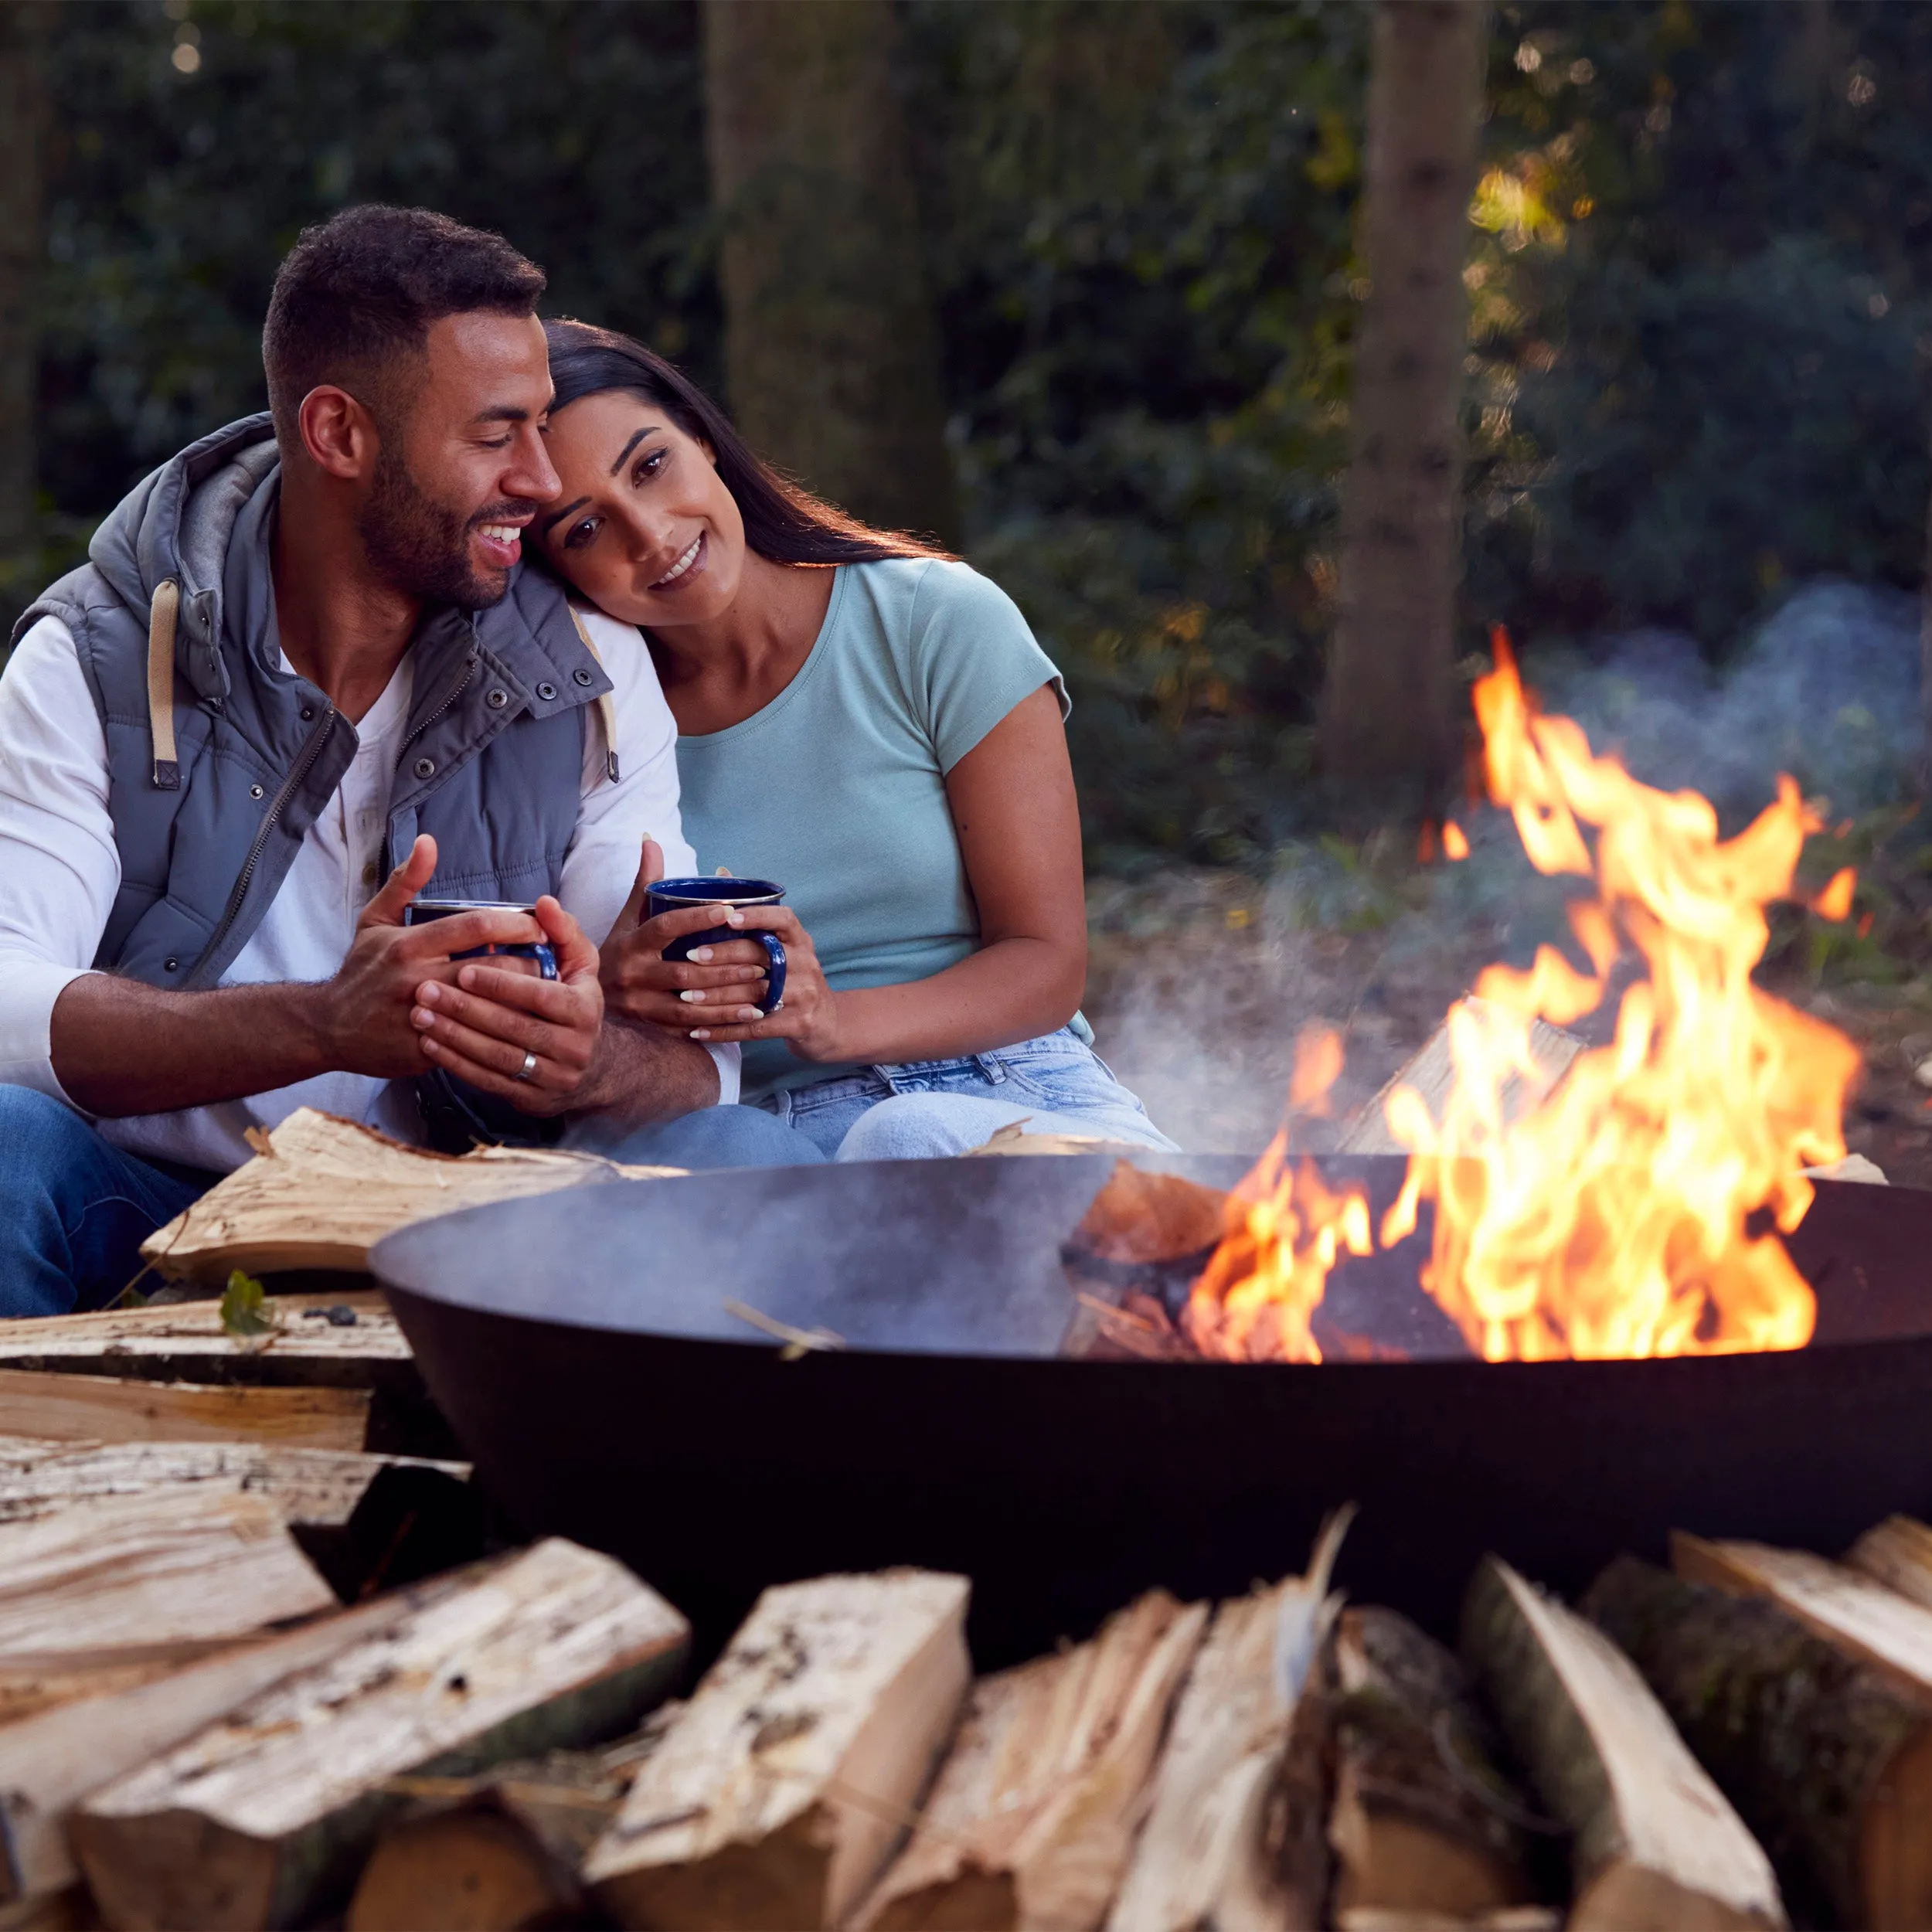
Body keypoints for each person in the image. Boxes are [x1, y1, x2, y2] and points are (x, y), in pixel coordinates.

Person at [0, 208, 748, 1318]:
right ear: (340, 435)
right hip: (160, 1208)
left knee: (741, 1156)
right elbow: (12, 1010)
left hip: (483, 1223)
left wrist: (589, 1058)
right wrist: (321, 1024)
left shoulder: (583, 663)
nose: (541, 482)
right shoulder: (96, 660)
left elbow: (693, 1071)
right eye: (498, 436)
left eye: (542, 426)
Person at [530, 319, 1175, 1165]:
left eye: (651, 466)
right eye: (585, 529)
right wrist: (615, 990)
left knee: (900, 1141)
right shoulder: (579, 732)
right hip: (749, 1137)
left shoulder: (934, 621)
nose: (648, 535)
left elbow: (1047, 963)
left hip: (1004, 1098)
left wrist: (827, 1019)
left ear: (701, 436)